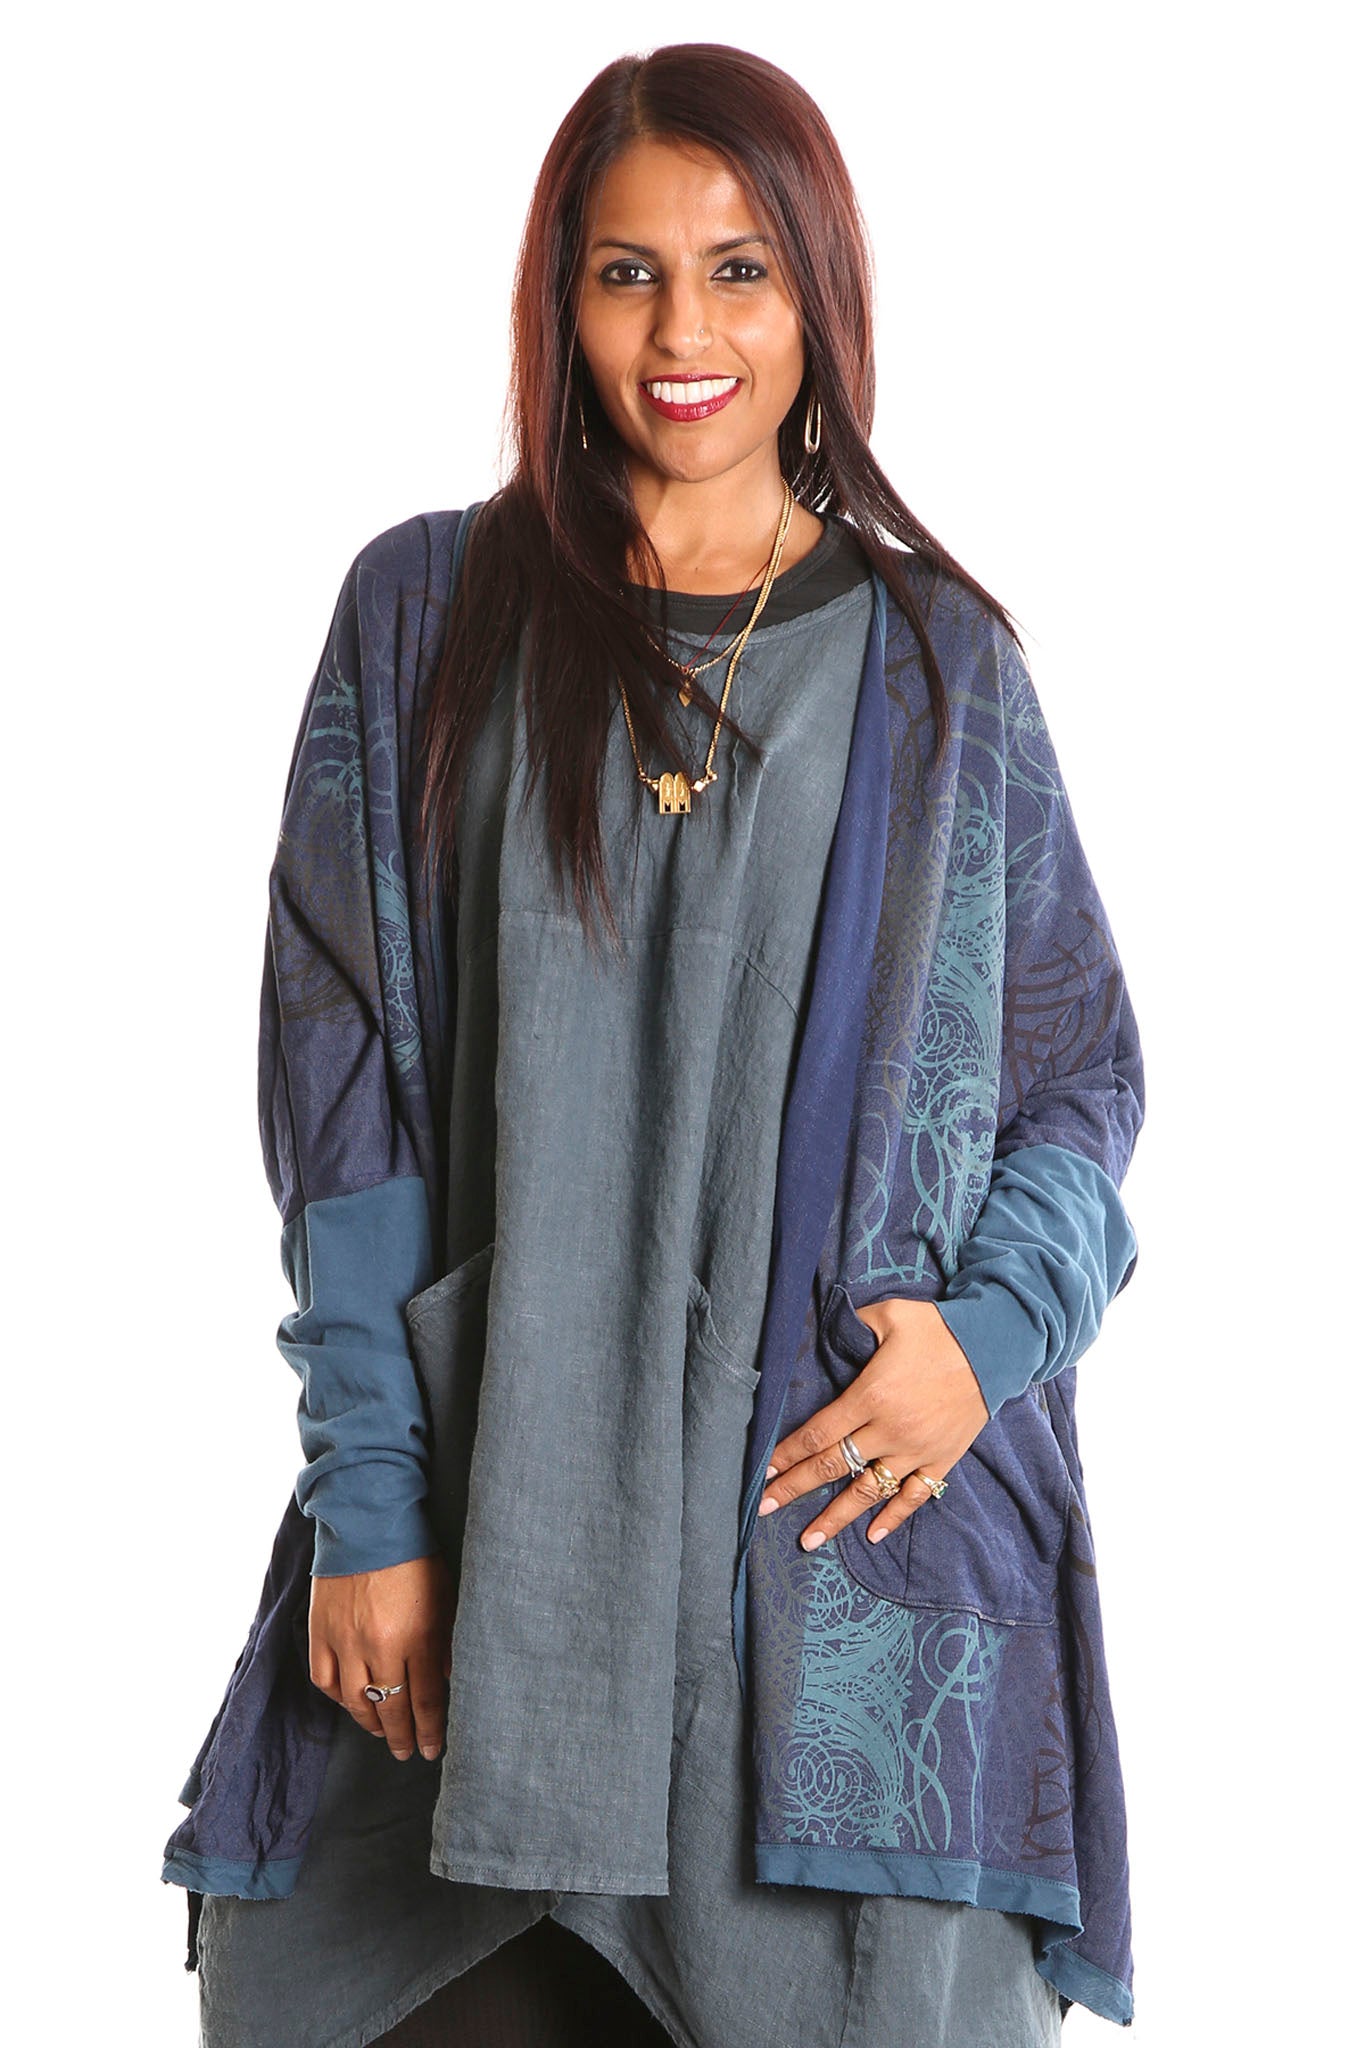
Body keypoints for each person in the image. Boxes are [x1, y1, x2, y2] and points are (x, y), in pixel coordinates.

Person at [163, 41, 1145, 2048]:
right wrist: (372, 1507)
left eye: (736, 270)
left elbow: (1075, 1080)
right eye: (627, 273)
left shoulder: (939, 667)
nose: (683, 333)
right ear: (561, 299)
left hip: (829, 1587)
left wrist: (981, 1341)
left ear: (817, 296)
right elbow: (338, 1096)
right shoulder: (428, 614)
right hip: (494, 1556)